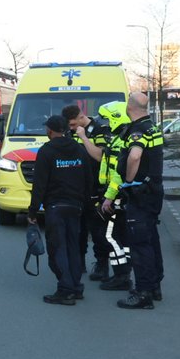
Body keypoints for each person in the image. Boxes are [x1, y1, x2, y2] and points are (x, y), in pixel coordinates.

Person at [109, 92, 165, 310]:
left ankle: (143, 293)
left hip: (140, 194)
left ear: (129, 107)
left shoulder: (138, 130)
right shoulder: (152, 127)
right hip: (153, 192)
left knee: (139, 244)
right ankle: (154, 286)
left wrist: (129, 180)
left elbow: (134, 156)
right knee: (151, 240)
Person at [28, 115, 90, 305]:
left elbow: (39, 185)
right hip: (76, 206)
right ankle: (76, 286)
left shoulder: (46, 151)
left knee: (58, 248)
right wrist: (86, 206)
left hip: (55, 207)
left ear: (51, 131)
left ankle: (65, 290)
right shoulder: (79, 149)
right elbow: (88, 179)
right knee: (73, 247)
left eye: (47, 128)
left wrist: (32, 213)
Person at [75, 101, 134, 293]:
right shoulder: (118, 140)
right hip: (112, 193)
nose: (104, 123)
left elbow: (118, 173)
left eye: (107, 119)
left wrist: (109, 196)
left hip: (115, 195)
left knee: (114, 237)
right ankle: (120, 274)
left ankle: (122, 276)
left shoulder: (120, 142)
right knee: (115, 238)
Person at [62, 104, 107, 280]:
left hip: (96, 187)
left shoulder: (100, 129)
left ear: (82, 117)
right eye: (69, 126)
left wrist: (84, 137)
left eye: (73, 125)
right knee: (77, 230)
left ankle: (102, 265)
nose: (71, 129)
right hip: (76, 189)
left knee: (97, 230)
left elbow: (100, 156)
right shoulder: (70, 132)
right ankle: (78, 263)